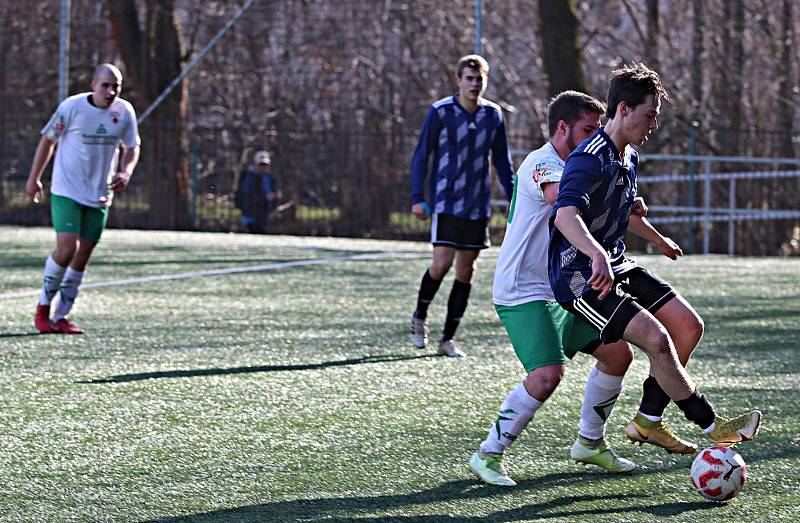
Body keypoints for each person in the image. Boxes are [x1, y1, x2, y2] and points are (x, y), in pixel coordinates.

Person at [548, 63, 762, 453]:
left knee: (687, 327)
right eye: (650, 115)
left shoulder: (629, 158)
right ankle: (711, 424)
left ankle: (648, 420)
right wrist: (595, 253)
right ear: (624, 110)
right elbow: (565, 215)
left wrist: (659, 239)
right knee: (657, 339)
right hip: (581, 277)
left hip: (616, 263)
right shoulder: (587, 157)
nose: (654, 125)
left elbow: (623, 210)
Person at [470, 91, 645, 486]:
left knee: (618, 356)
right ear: (562, 127)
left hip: (563, 288)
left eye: (597, 129)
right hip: (523, 290)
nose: (594, 137)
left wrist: (626, 202)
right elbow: (561, 202)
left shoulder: (585, 163)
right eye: (587, 129)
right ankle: (488, 454)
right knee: (547, 376)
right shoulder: (542, 163)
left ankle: (589, 442)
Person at [408, 54, 514, 358]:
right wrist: (418, 196)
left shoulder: (493, 115)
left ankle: (448, 338)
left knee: (466, 271)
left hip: (476, 206)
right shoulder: (440, 112)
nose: (474, 84)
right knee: (441, 264)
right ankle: (420, 316)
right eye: (468, 78)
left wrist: (513, 197)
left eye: (479, 79)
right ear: (458, 81)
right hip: (445, 202)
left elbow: (502, 162)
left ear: (485, 81)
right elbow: (421, 155)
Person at [25, 63, 140, 334]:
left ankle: (62, 315)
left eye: (116, 87)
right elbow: (48, 140)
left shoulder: (124, 112)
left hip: (100, 194)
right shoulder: (72, 107)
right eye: (105, 85)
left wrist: (125, 171)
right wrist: (34, 178)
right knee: (67, 249)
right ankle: (43, 309)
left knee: (83, 254)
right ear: (93, 84)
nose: (110, 91)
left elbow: (132, 147)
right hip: (67, 190)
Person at [235, 150, 280, 234]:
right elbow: (248, 195)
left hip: (264, 214)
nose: (263, 167)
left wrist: (275, 196)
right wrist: (265, 197)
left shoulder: (269, 177)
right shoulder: (249, 177)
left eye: (265, 165)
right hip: (251, 215)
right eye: (261, 164)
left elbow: (273, 191)